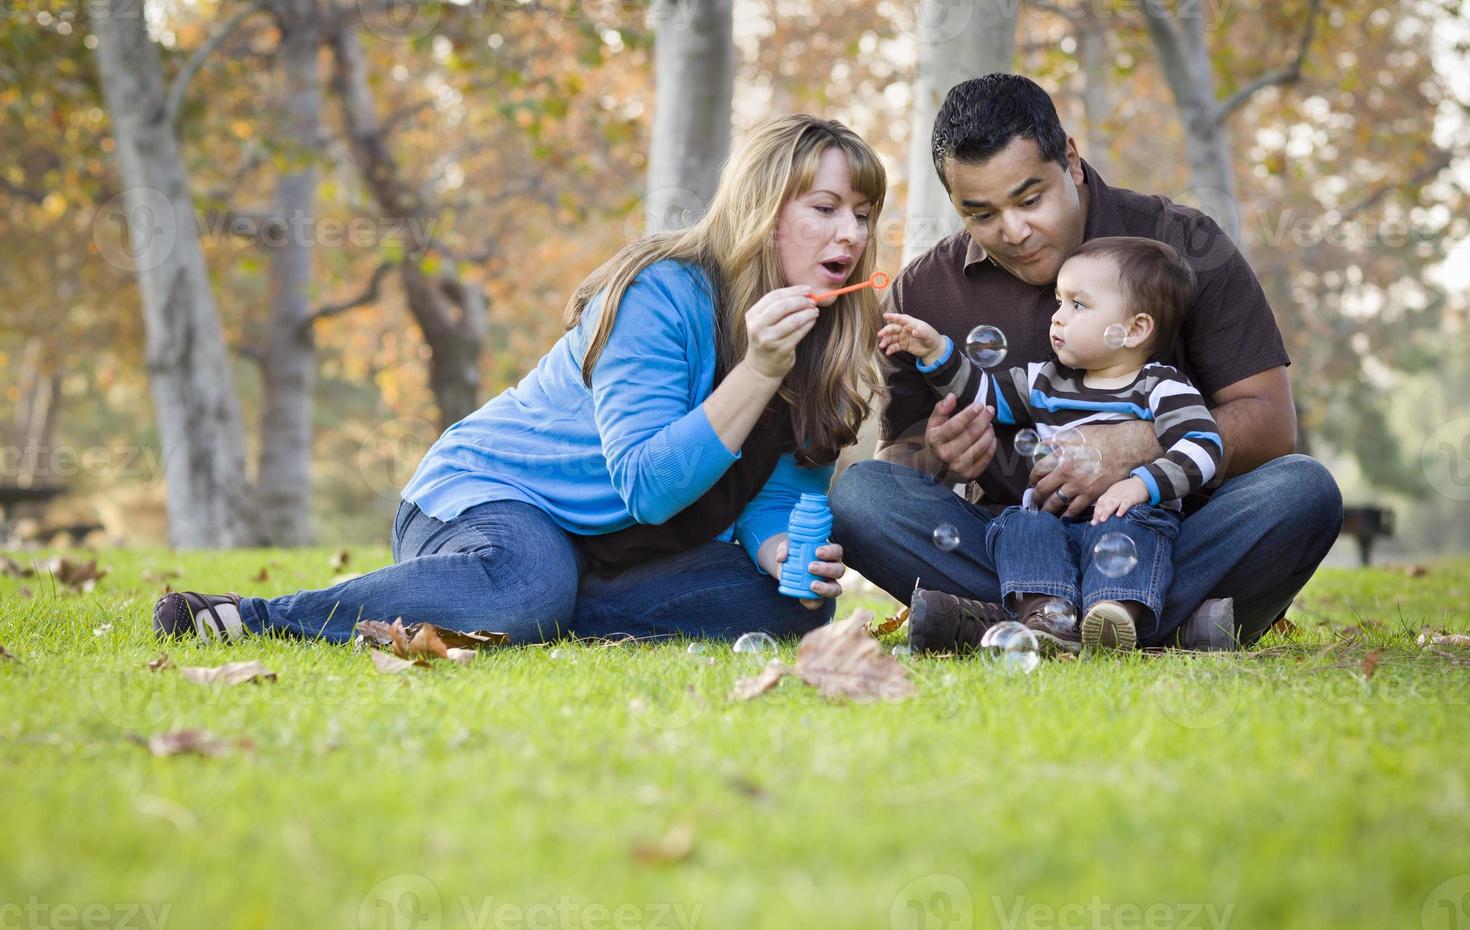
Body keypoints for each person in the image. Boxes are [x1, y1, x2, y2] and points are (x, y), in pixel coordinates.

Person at [152, 114, 887, 645]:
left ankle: (529, 612)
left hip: (611, 553)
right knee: (528, 584)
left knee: (796, 608)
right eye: (824, 209)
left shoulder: (822, 337)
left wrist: (775, 550)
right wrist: (758, 370)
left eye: (862, 214)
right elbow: (648, 483)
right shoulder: (663, 292)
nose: (849, 235)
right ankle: (259, 618)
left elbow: (779, 496)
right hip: (489, 501)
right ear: (762, 211)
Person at [830, 73, 1343, 652]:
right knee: (860, 496)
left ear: (1071, 161)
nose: (1014, 231)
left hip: (1168, 535)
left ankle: (1003, 626)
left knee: (1303, 491)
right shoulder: (924, 292)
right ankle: (1157, 628)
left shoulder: (1182, 244)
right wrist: (939, 456)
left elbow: (1272, 424)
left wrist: (1136, 446)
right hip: (1014, 543)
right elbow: (897, 462)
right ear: (955, 203)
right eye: (981, 214)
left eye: (1030, 199)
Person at [878, 236, 1221, 651]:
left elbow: (1203, 446)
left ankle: (1114, 614)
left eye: (1078, 305)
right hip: (1054, 524)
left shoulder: (1160, 386)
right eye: (1059, 302)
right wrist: (936, 351)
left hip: (1128, 518)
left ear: (1134, 329)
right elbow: (983, 393)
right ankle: (1046, 614)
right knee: (1021, 524)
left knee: (1130, 528)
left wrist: (1141, 484)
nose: (1057, 318)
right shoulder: (1046, 380)